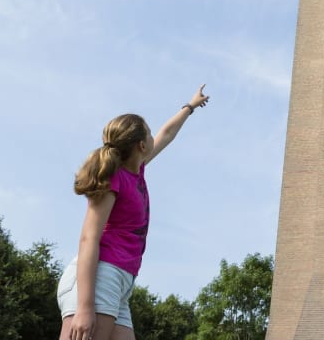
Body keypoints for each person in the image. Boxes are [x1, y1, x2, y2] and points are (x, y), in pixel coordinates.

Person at [57, 85, 210, 340]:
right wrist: (85, 307)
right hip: (99, 276)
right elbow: (88, 238)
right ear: (141, 145)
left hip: (120, 281)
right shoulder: (113, 179)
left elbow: (167, 133)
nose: (154, 136)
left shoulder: (135, 170)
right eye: (149, 133)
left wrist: (190, 107)